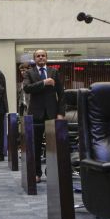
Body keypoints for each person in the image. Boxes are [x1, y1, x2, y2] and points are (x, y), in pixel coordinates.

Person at [23, 50, 65, 183]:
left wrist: (60, 113)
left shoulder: (54, 72)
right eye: (38, 56)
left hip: (52, 114)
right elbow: (27, 88)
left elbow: (61, 94)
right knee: (35, 146)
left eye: (43, 56)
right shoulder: (29, 73)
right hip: (35, 114)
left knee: (54, 146)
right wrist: (44, 83)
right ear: (34, 59)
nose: (41, 58)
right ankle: (37, 173)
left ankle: (53, 172)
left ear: (46, 58)